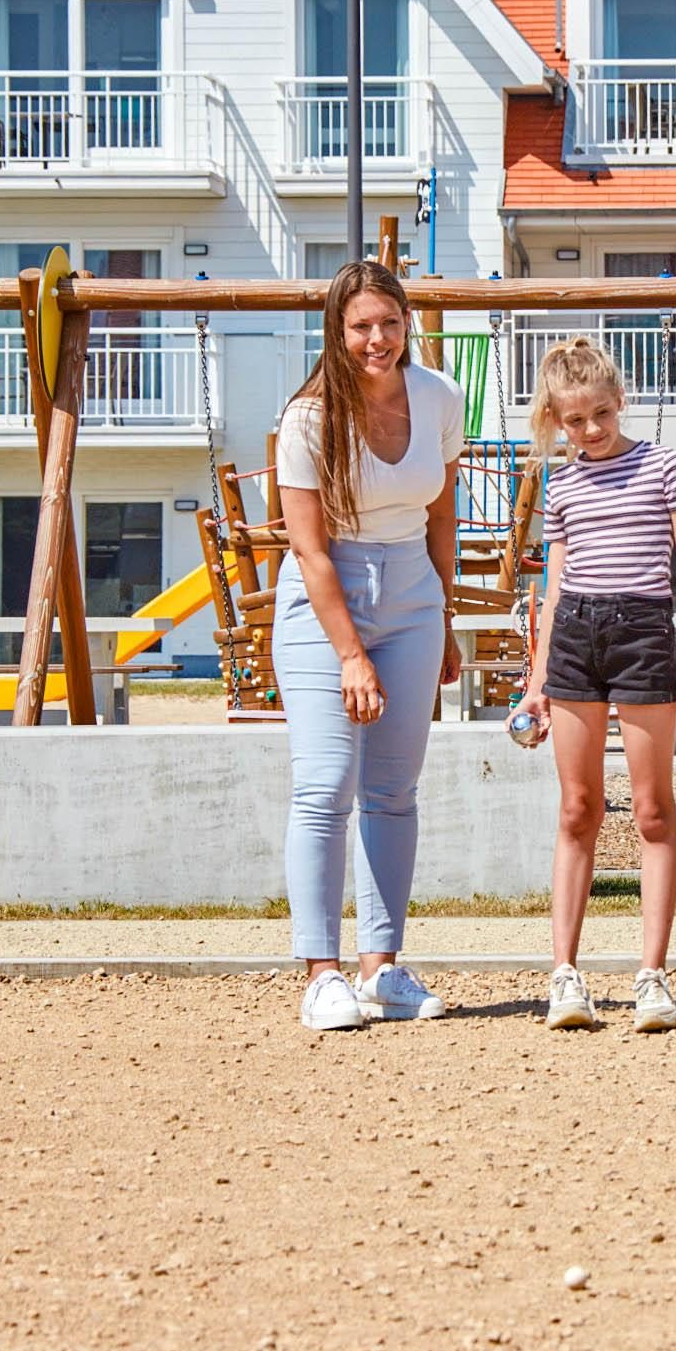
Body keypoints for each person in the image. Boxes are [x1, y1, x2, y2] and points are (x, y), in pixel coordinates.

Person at [272, 260, 464, 1030]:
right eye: (360, 327)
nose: (376, 339)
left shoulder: (440, 396)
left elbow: (443, 518)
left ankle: (382, 968)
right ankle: (321, 973)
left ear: (407, 321)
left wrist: (444, 619)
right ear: (337, 332)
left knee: (394, 791)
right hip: (328, 602)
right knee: (324, 785)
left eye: (388, 322)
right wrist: (350, 653)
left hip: (414, 593)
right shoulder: (309, 419)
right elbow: (311, 552)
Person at [513, 337, 676, 1033]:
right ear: (554, 420)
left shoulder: (664, 466)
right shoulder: (562, 481)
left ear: (619, 400)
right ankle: (564, 975)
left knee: (654, 809)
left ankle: (651, 976)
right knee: (578, 809)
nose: (591, 430)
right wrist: (537, 680)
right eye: (574, 420)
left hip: (641, 636)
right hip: (574, 637)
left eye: (600, 413)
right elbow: (557, 579)